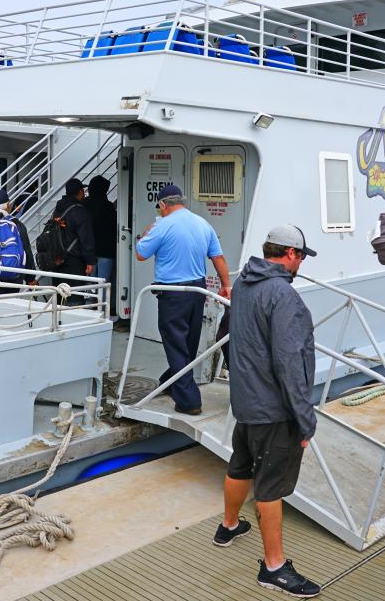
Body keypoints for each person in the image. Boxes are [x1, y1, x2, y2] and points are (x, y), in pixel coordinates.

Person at [215, 225, 320, 598]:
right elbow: (290, 362)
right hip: (274, 411)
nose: (302, 262)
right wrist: (305, 418)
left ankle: (228, 526)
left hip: (245, 400)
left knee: (240, 463)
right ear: (290, 254)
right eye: (302, 256)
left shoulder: (243, 282)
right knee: (271, 487)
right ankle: (274, 567)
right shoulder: (284, 296)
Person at [135, 185, 230, 415]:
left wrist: (147, 232)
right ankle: (171, 380)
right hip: (198, 291)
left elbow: (140, 254)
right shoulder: (202, 223)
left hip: (173, 295)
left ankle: (189, 402)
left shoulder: (162, 225)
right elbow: (217, 257)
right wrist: (226, 285)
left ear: (163, 205)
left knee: (176, 345)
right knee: (188, 342)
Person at [49, 178, 96, 302]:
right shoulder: (80, 211)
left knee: (59, 295)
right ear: (80, 192)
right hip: (74, 261)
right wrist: (90, 261)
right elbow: (86, 238)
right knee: (74, 296)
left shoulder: (58, 208)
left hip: (58, 259)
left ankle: (58, 320)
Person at [84, 175, 117, 306]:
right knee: (103, 284)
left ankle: (89, 311)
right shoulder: (108, 206)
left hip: (89, 251)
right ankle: (103, 313)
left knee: (89, 284)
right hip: (107, 251)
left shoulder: (84, 205)